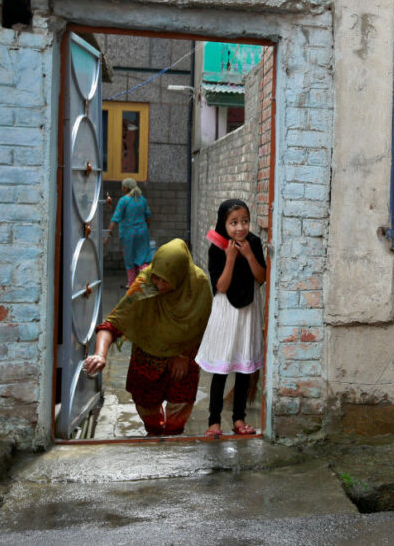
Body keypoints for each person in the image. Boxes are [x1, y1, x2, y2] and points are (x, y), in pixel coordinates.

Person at [83, 239, 212, 437]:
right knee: (145, 402)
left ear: (179, 275)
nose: (158, 285)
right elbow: (114, 322)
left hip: (183, 356)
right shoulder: (145, 284)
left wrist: (184, 355)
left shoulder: (198, 284)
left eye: (165, 280)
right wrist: (100, 355)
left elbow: (202, 325)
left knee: (180, 402)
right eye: (156, 278)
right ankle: (154, 433)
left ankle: (173, 437)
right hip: (147, 355)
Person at [195, 199, 266, 438]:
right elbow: (222, 286)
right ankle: (214, 421)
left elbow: (261, 277)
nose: (240, 228)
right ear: (223, 224)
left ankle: (239, 419)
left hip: (248, 312)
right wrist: (231, 257)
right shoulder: (217, 246)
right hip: (226, 312)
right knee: (222, 366)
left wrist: (248, 255)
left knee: (244, 366)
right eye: (233, 222)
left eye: (244, 221)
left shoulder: (254, 243)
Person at [104, 178, 155, 287]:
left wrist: (107, 234)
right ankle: (144, 280)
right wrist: (145, 228)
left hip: (128, 234)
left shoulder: (123, 201)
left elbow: (115, 218)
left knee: (130, 257)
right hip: (142, 233)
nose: (122, 188)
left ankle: (131, 283)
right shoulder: (142, 200)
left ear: (126, 188)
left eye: (123, 186)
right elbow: (148, 217)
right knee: (142, 257)